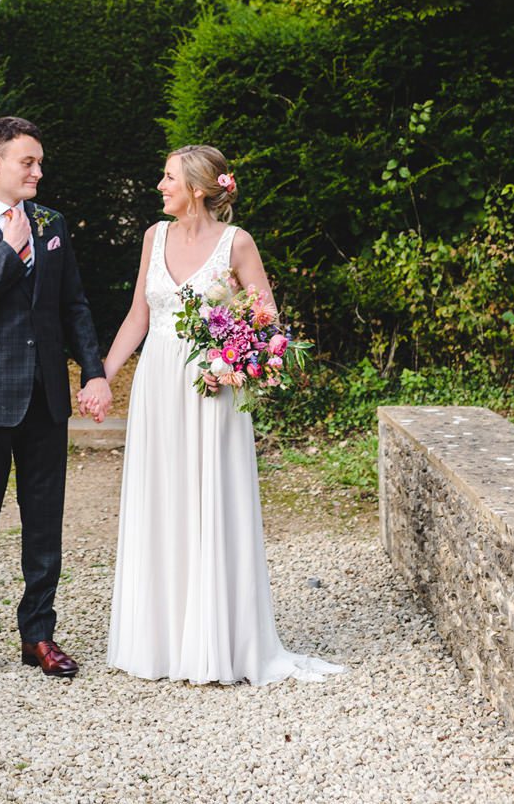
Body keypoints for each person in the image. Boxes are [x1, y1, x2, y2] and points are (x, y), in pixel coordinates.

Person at [100, 145, 344, 685]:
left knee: (209, 501)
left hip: (212, 390)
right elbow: (139, 314)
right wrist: (105, 373)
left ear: (198, 189)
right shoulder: (152, 238)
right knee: (159, 500)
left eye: (167, 178)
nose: (159, 187)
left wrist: (228, 360)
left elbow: (267, 324)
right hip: (158, 385)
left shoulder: (238, 243)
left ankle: (215, 641)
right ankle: (160, 642)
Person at [0, 117, 112, 685]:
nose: (38, 170)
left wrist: (94, 372)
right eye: (28, 162)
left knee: (44, 524)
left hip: (44, 399)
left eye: (39, 162)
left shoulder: (53, 223)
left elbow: (74, 305)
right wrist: (9, 250)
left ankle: (39, 633)